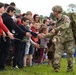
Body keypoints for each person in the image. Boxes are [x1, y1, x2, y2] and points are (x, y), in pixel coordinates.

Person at [51, 5, 75, 72]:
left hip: (69, 39)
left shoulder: (65, 17)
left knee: (69, 55)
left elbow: (66, 25)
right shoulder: (57, 21)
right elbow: (53, 33)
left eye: (54, 11)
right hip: (61, 39)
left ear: (57, 11)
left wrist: (56, 29)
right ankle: (56, 68)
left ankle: (70, 69)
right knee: (57, 54)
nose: (53, 12)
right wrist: (44, 35)